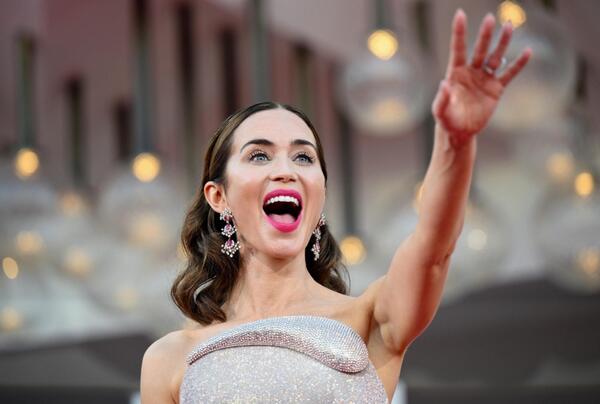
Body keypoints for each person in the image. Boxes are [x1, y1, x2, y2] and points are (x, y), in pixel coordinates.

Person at [140, 9, 531, 403]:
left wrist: (454, 142)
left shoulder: (366, 321)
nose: (286, 171)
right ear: (218, 196)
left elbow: (433, 249)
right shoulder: (168, 359)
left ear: (321, 193)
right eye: (259, 155)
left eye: (303, 157)